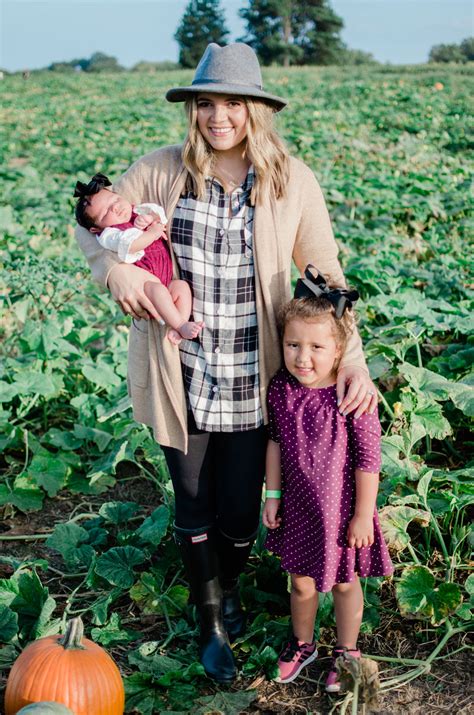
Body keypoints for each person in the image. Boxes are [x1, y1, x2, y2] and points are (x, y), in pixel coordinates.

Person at [75, 42, 379, 684]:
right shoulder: (161, 169)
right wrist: (116, 271)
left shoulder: (290, 179)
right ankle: (209, 615)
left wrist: (352, 359)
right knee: (192, 500)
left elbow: (325, 273)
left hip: (255, 374)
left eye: (233, 103)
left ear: (256, 110)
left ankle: (229, 583)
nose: (219, 117)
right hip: (180, 369)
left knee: (240, 510)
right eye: (207, 103)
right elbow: (91, 226)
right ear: (193, 109)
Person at [262, 267, 393, 690]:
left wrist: (362, 515)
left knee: (343, 582)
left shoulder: (353, 395)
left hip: (341, 514)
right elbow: (276, 443)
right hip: (300, 510)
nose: (303, 357)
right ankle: (303, 644)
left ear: (339, 349)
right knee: (301, 584)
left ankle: (347, 649)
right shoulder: (281, 388)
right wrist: (273, 494)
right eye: (293, 344)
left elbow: (368, 462)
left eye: (317, 346)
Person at [74, 173, 204, 344]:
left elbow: (159, 216)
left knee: (181, 287)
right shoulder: (110, 234)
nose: (115, 208)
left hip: (166, 277)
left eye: (115, 200)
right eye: (106, 212)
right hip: (147, 284)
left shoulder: (136, 211)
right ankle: (181, 325)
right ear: (95, 229)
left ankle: (178, 325)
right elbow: (132, 244)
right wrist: (152, 232)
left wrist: (151, 219)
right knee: (159, 291)